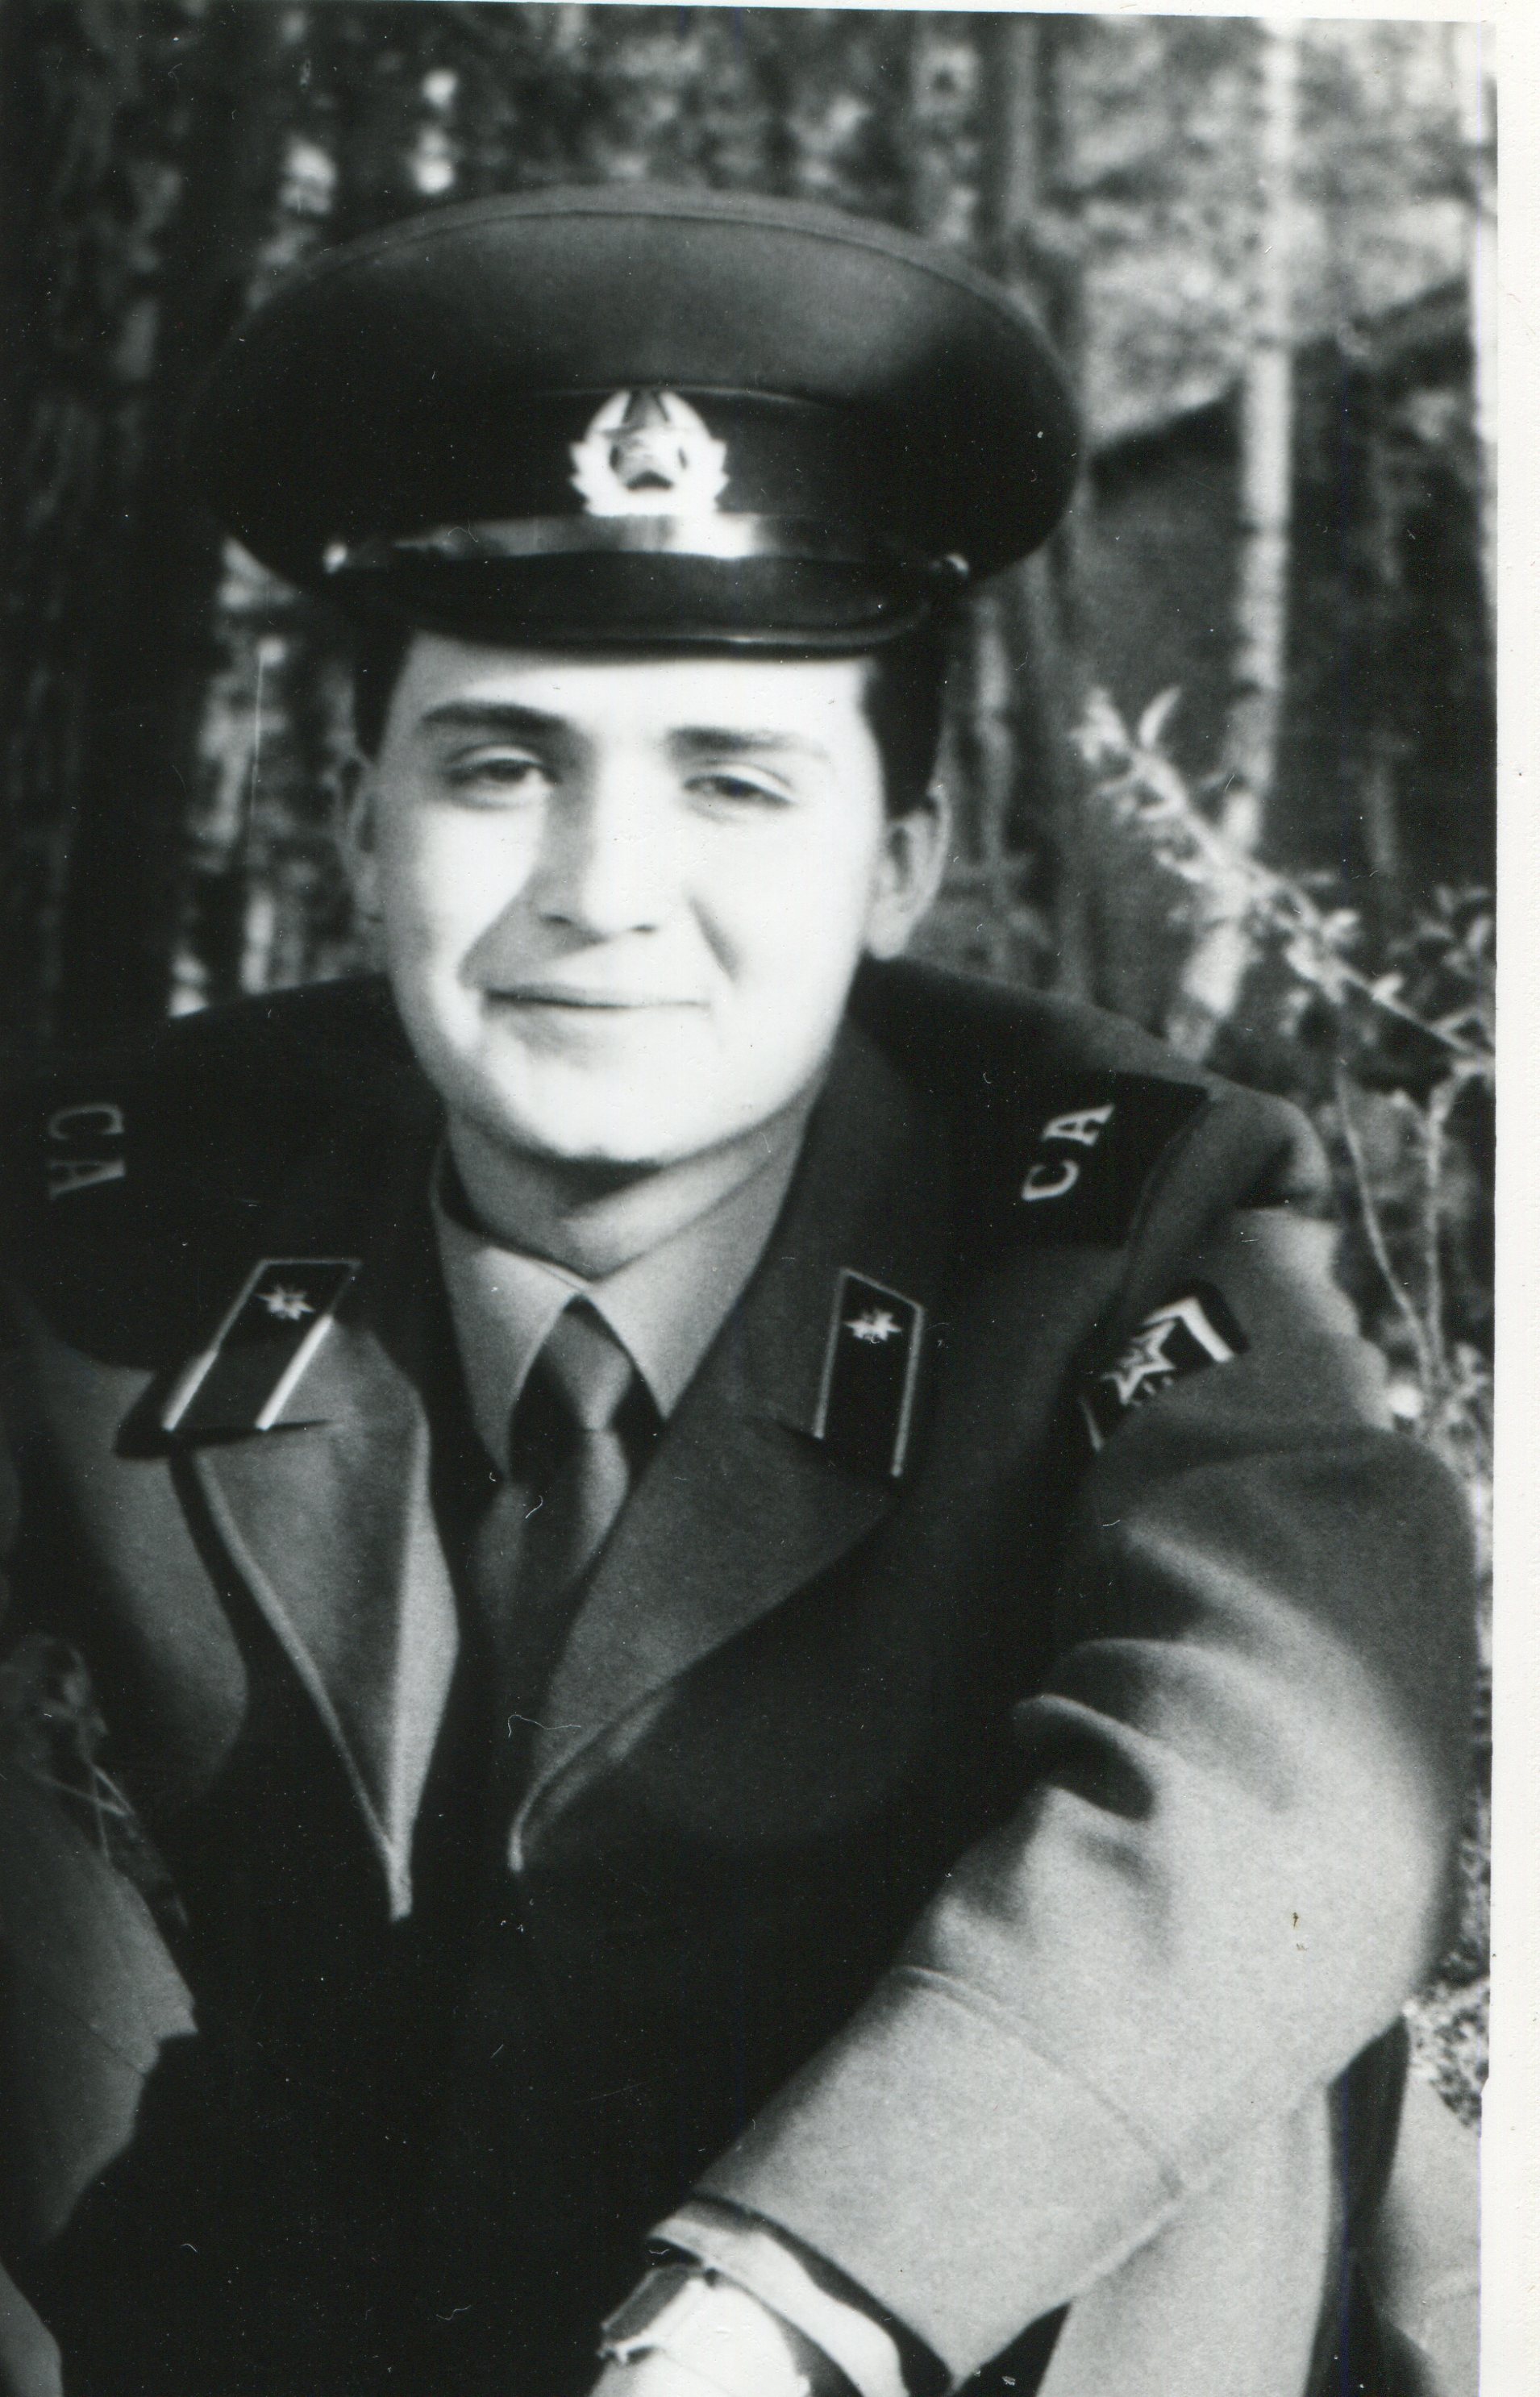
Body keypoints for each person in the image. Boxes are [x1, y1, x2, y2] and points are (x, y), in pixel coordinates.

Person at [0, 186, 1476, 2397]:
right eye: (504, 765)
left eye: (733, 783)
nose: (605, 891)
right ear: (361, 823)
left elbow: (1303, 1763)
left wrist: (798, 2299)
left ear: (901, 862)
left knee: (1207, 2037)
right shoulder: (117, 1209)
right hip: (314, 2317)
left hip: (927, 2331)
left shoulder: (1113, 1214)